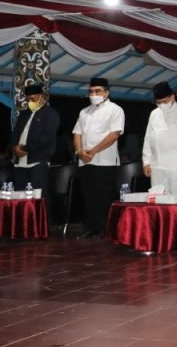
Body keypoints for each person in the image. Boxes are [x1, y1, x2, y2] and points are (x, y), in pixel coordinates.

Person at [72, 77, 125, 239]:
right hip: (85, 161)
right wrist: (80, 151)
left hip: (105, 161)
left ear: (106, 93)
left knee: (104, 197)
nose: (93, 94)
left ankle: (105, 229)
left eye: (98, 91)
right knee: (88, 196)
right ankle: (91, 228)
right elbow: (77, 133)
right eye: (91, 91)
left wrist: (93, 151)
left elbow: (114, 134)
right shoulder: (84, 111)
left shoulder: (115, 109)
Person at [10, 83, 60, 217]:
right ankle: (24, 222)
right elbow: (15, 133)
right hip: (20, 160)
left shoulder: (50, 114)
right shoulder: (24, 114)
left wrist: (25, 148)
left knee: (40, 194)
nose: (31, 101)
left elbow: (46, 137)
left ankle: (44, 223)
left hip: (38, 159)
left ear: (42, 97)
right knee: (21, 195)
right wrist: (14, 147)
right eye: (29, 99)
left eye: (34, 98)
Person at [142, 82, 177, 196]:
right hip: (156, 166)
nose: (162, 104)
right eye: (158, 102)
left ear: (172, 97)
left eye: (164, 101)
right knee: (157, 200)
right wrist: (146, 162)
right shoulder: (154, 114)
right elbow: (148, 139)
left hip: (176, 166)